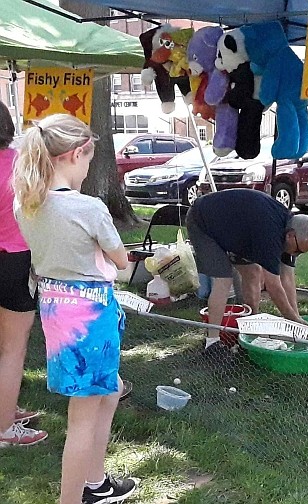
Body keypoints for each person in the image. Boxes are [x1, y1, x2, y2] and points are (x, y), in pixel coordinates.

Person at [13, 114, 137, 504]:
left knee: (110, 390)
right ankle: (75, 497)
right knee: (81, 419)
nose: (88, 168)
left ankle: (96, 482)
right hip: (88, 313)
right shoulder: (88, 208)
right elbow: (122, 260)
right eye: (88, 160)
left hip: (55, 308)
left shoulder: (27, 206)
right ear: (75, 154)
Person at [186, 188, 308, 347]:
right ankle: (212, 342)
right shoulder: (271, 234)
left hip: (238, 229)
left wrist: (297, 323)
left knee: (253, 272)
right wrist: (294, 320)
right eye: (297, 251)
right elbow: (273, 287)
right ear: (290, 235)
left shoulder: (290, 230)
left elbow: (287, 279)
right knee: (224, 281)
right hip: (202, 220)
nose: (296, 255)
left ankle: (249, 330)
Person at [0, 101, 48, 447]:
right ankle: (4, 428)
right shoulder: (20, 165)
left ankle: (5, 408)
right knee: (13, 348)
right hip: (14, 261)